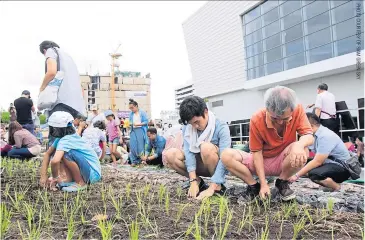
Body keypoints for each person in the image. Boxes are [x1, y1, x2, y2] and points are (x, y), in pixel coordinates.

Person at [222, 86, 314, 201]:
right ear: (267, 109)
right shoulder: (257, 119)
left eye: (285, 119)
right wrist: (263, 183)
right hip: (260, 162)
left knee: (303, 150)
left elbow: (308, 135)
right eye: (275, 118)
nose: (280, 122)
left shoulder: (298, 109)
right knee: (226, 155)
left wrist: (298, 145)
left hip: (283, 161)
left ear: (292, 110)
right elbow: (256, 153)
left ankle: (282, 182)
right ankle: (254, 186)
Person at [164, 96, 231, 200]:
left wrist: (212, 186)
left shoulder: (220, 126)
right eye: (191, 123)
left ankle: (218, 185)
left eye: (197, 122)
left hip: (216, 167)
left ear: (205, 112)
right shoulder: (188, 127)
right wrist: (193, 181)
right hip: (197, 165)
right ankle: (198, 182)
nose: (195, 126)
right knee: (170, 154)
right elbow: (188, 152)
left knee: (205, 147)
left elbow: (225, 159)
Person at [39, 111, 101, 192]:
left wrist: (55, 178)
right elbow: (48, 153)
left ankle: (80, 183)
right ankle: (68, 179)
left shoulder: (66, 139)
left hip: (92, 173)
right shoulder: (64, 136)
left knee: (66, 154)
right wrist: (43, 176)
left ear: (56, 128)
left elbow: (55, 161)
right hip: (90, 171)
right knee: (62, 153)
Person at [288, 113, 351, 191]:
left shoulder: (325, 136)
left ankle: (336, 187)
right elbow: (305, 152)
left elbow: (318, 162)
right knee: (299, 162)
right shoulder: (314, 134)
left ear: (311, 126)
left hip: (342, 168)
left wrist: (296, 176)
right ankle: (325, 181)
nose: (299, 130)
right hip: (328, 162)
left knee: (314, 174)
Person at [39, 41, 86, 119]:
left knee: (57, 129)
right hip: (74, 105)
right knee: (68, 130)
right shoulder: (67, 57)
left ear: (44, 51)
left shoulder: (50, 51)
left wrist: (42, 88)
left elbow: (51, 72)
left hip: (60, 103)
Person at [128, 99, 149, 166]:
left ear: (136, 106)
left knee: (140, 146)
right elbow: (130, 122)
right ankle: (134, 161)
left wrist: (138, 124)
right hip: (133, 130)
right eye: (130, 108)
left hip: (140, 130)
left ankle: (141, 160)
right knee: (133, 145)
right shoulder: (131, 114)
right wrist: (129, 124)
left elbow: (146, 122)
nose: (131, 109)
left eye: (132, 108)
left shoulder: (142, 112)